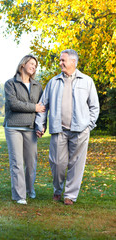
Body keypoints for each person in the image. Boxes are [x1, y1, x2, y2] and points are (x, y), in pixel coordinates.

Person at [35, 49, 100, 205]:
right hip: (59, 130)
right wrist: (40, 124)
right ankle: (58, 189)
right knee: (57, 163)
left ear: (73, 62)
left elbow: (94, 107)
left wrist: (88, 126)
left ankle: (70, 195)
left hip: (80, 130)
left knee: (76, 164)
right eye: (60, 60)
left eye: (63, 60)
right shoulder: (53, 82)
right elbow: (43, 105)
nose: (60, 63)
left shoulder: (87, 81)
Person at [3, 54, 45, 205]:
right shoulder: (10, 84)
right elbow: (14, 104)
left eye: (35, 65)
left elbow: (43, 108)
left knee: (31, 162)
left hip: (30, 128)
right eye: (31, 63)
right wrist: (34, 107)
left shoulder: (37, 86)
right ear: (23, 65)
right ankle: (19, 195)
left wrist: (42, 126)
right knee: (17, 162)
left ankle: (29, 189)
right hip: (13, 127)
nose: (34, 67)